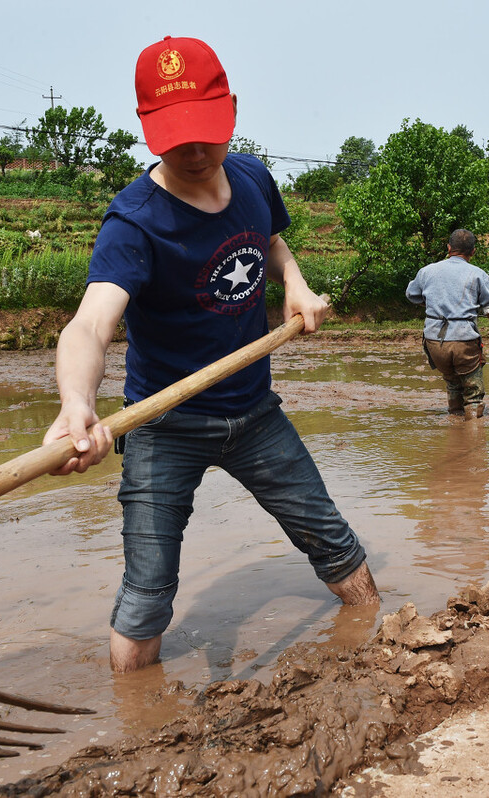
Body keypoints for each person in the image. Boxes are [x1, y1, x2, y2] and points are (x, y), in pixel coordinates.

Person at [44, 36, 379, 674]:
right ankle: (132, 733)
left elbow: (270, 243)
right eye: (176, 137)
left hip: (256, 415)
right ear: (147, 128)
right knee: (146, 596)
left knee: (334, 543)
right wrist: (76, 404)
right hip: (161, 426)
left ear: (231, 112)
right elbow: (90, 325)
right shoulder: (135, 223)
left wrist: (297, 285)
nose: (196, 151)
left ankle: (379, 652)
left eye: (207, 132)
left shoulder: (252, 176)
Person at [406, 229, 489, 419]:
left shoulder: (427, 271)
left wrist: (433, 305)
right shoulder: (478, 274)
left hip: (434, 341)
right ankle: (472, 436)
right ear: (473, 251)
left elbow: (412, 295)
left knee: (452, 383)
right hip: (463, 340)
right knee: (473, 393)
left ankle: (455, 424)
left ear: (449, 248)